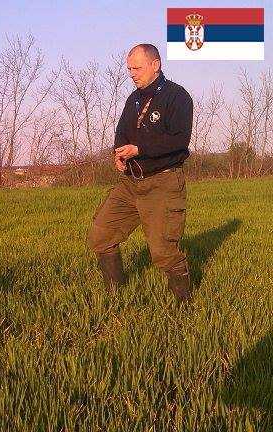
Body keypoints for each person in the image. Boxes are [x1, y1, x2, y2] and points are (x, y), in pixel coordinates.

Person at [87, 43, 193, 301]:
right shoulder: (133, 98)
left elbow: (179, 140)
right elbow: (122, 132)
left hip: (163, 182)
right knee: (101, 235)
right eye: (129, 69)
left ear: (155, 65)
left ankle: (185, 306)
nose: (132, 73)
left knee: (163, 252)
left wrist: (139, 149)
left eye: (137, 67)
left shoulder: (177, 96)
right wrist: (119, 153)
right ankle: (117, 296)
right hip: (130, 183)